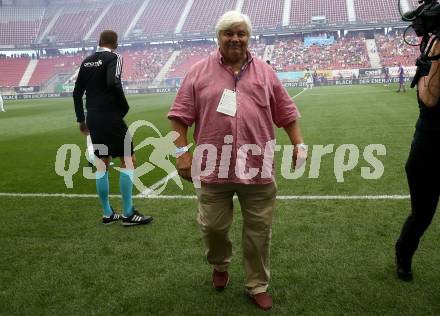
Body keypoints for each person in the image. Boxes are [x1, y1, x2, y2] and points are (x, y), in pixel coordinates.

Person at [168, 11, 306, 311]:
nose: (235, 38)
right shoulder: (198, 72)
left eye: (241, 33)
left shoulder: (265, 72)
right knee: (213, 228)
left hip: (258, 168)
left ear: (249, 37)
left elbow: (286, 112)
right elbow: (179, 118)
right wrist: (181, 154)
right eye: (228, 33)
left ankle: (257, 283)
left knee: (259, 231)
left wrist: (299, 144)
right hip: (212, 167)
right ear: (218, 37)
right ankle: (220, 265)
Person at [73, 30, 153, 226]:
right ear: (115, 43)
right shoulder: (114, 57)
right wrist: (123, 106)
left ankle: (108, 213)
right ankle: (127, 213)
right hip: (110, 116)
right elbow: (113, 82)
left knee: (102, 162)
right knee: (129, 159)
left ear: (99, 42)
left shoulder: (87, 61)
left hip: (93, 117)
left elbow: (76, 93)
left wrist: (81, 120)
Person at [395, 39, 440, 281]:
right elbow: (430, 98)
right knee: (422, 215)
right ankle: (403, 254)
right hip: (429, 149)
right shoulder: (430, 57)